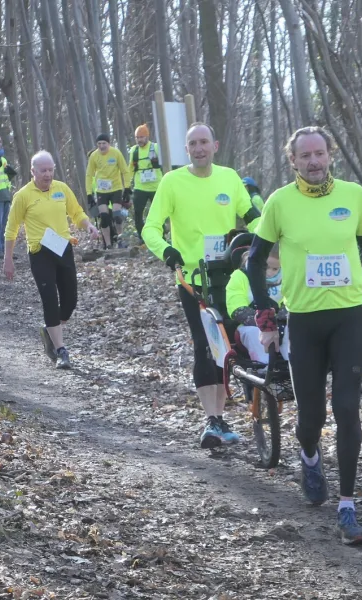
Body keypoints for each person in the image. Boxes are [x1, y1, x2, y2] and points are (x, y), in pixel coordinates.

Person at [246, 126, 362, 546]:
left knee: (346, 408)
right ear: (293, 160)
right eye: (305, 155)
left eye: (319, 153)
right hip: (305, 322)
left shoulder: (354, 196)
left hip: (348, 316)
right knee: (311, 419)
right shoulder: (279, 202)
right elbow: (254, 260)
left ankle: (347, 508)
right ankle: (309, 456)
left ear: (331, 155)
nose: (313, 161)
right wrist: (265, 317)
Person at [142, 122, 261, 449]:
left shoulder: (229, 178)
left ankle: (223, 416)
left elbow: (253, 217)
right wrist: (167, 252)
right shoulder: (172, 182)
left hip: (230, 278)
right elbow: (150, 228)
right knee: (204, 344)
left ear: (215, 146)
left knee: (229, 345)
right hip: (192, 280)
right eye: (193, 143)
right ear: (186, 149)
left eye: (204, 142)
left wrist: (263, 243)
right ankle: (212, 419)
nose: (199, 148)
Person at [3, 151, 99, 369]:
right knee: (50, 300)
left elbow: (76, 213)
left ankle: (50, 330)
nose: (47, 174)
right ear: (33, 171)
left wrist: (88, 226)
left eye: (50, 170)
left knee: (70, 301)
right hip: (40, 252)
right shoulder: (23, 196)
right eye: (43, 170)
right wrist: (8, 258)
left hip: (63, 248)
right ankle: (61, 350)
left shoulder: (61, 189)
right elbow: (12, 229)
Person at [226, 245, 288, 364]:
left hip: (279, 323)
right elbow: (237, 309)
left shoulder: (285, 277)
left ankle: (294, 366)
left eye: (275, 269)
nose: (269, 273)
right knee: (255, 334)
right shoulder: (240, 276)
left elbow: (291, 302)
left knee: (292, 331)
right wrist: (267, 324)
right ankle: (264, 367)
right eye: (266, 267)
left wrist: (280, 321)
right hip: (249, 326)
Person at [85, 133, 130, 248]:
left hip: (116, 188)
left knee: (117, 215)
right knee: (104, 217)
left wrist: (127, 188)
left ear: (109, 144)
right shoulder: (94, 156)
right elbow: (89, 175)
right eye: (99, 144)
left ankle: (120, 240)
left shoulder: (116, 153)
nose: (101, 146)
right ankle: (108, 245)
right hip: (102, 191)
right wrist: (89, 193)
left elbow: (125, 171)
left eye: (104, 143)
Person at [127, 124, 162, 242]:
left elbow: (164, 163)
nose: (139, 140)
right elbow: (130, 169)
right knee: (138, 213)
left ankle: (160, 236)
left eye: (141, 137)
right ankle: (142, 237)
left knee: (158, 214)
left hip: (156, 187)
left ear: (147, 137)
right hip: (140, 187)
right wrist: (127, 186)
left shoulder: (155, 147)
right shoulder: (134, 150)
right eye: (137, 137)